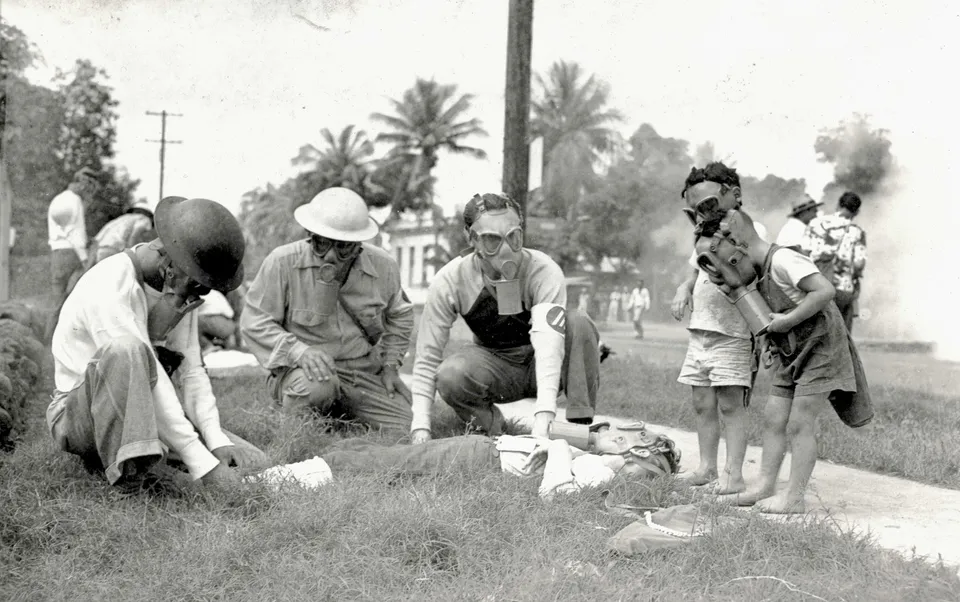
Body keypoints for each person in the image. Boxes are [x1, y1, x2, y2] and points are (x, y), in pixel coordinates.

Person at [46, 196, 268, 491]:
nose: (198, 295)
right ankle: (129, 479)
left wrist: (216, 440)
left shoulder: (179, 290)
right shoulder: (110, 284)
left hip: (143, 410)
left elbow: (192, 371)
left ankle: (149, 457)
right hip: (78, 417)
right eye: (198, 285)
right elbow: (153, 380)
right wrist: (202, 464)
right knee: (128, 350)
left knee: (254, 461)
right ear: (169, 264)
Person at [700, 209, 870, 513]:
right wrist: (768, 340)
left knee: (799, 422)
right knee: (773, 417)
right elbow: (766, 316)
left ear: (737, 239)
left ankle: (794, 497)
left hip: (821, 348)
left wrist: (787, 320)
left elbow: (824, 290)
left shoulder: (783, 260)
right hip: (790, 350)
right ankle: (765, 485)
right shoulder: (757, 272)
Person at [410, 193, 601, 444]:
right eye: (491, 240)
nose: (506, 249)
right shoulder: (450, 280)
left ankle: (580, 428)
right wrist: (421, 428)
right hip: (496, 367)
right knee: (450, 374)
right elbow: (427, 357)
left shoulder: (543, 270)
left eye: (514, 237)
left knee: (578, 322)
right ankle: (492, 428)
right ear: (472, 239)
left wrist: (542, 423)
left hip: (540, 363)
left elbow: (549, 349)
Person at [240, 187, 414, 433]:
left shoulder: (383, 266)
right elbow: (254, 322)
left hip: (362, 371)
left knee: (405, 427)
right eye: (321, 243)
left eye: (342, 246)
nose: (330, 256)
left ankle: (338, 420)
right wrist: (299, 352)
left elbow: (401, 315)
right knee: (316, 389)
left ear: (358, 244)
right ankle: (298, 419)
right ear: (309, 235)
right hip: (306, 372)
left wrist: (390, 367)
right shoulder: (282, 262)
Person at [256, 421, 680, 501]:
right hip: (482, 451)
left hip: (479, 460)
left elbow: (553, 495)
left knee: (378, 466)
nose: (617, 437)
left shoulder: (599, 473)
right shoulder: (601, 466)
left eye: (629, 440)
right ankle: (286, 474)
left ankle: (268, 483)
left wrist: (560, 449)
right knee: (381, 460)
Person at [671, 162, 766, 495]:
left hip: (733, 333)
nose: (702, 214)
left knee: (730, 404)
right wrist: (684, 289)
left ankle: (733, 473)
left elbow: (754, 269)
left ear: (734, 196)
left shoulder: (749, 229)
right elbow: (694, 270)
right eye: (695, 209)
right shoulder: (702, 235)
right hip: (701, 331)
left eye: (708, 205)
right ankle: (707, 467)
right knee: (702, 402)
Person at [801, 191, 867, 333]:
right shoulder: (857, 232)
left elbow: (804, 254)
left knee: (816, 333)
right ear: (857, 211)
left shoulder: (815, 223)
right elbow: (858, 264)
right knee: (841, 335)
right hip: (843, 289)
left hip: (816, 286)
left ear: (838, 205)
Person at [47, 167, 101, 302]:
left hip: (57, 254)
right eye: (88, 188)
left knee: (57, 299)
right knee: (76, 299)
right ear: (82, 185)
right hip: (72, 255)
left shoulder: (57, 199)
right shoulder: (75, 201)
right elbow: (76, 233)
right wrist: (84, 259)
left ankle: (52, 323)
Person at [87, 199, 156, 268]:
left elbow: (95, 242)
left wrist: (88, 266)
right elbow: (134, 234)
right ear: (148, 214)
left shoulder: (120, 219)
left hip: (100, 251)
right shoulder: (145, 219)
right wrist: (132, 256)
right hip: (115, 250)